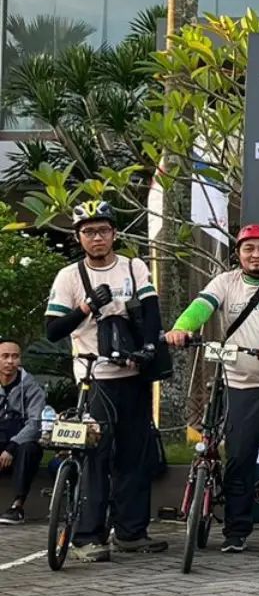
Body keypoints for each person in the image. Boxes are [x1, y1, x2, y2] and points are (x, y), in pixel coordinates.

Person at [165, 225, 259, 557]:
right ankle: (236, 531)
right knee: (240, 460)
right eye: (248, 249)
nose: (256, 255)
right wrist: (181, 328)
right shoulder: (225, 282)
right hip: (241, 386)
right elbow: (201, 307)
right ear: (238, 255)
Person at [44, 200, 167, 562]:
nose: (96, 237)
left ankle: (131, 532)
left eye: (103, 230)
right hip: (95, 379)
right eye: (88, 232)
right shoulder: (69, 276)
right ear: (78, 237)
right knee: (95, 456)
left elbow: (152, 313)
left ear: (114, 233)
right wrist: (86, 307)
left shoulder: (133, 266)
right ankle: (87, 537)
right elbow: (52, 330)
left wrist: (148, 347)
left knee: (135, 455)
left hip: (134, 375)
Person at [0, 339, 46, 525]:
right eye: (5, 356)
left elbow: (35, 423)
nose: (10, 361)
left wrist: (12, 446)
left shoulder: (32, 387)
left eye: (15, 356)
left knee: (29, 449)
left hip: (19, 441)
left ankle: (17, 506)